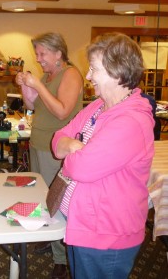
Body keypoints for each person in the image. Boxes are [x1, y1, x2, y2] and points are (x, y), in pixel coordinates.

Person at [51, 32, 155, 279]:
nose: (87, 76)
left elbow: (80, 169)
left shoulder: (131, 122)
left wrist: (73, 149)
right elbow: (58, 140)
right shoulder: (98, 106)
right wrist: (76, 147)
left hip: (106, 235)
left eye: (94, 69)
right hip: (84, 225)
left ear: (117, 72)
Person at [15, 32, 83, 279]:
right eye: (37, 53)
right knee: (43, 197)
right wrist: (26, 85)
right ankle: (50, 239)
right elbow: (33, 106)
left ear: (58, 53)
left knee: (57, 201)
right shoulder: (48, 75)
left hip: (56, 149)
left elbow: (63, 112)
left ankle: (61, 258)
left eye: (42, 53)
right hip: (38, 143)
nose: (38, 58)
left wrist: (38, 85)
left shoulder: (71, 74)